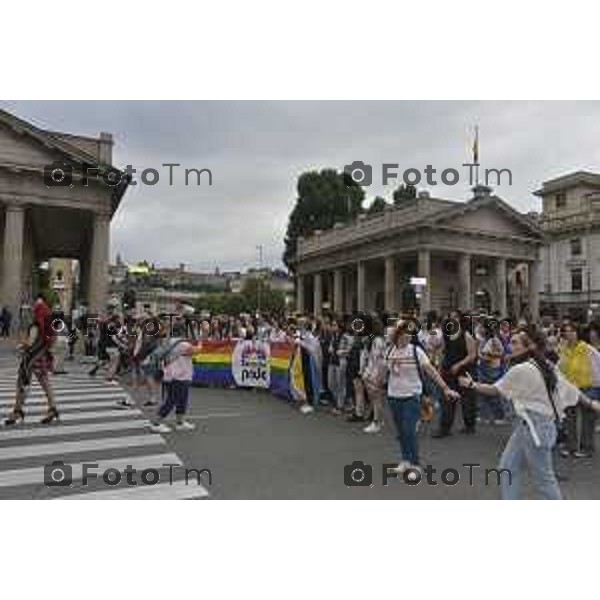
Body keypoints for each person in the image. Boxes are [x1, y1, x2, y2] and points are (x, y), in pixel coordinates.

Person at [458, 327, 600, 500]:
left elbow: (495, 389)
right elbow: (571, 390)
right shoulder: (545, 364)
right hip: (531, 426)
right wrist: (592, 404)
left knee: (544, 479)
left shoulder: (522, 369)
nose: (510, 346)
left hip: (532, 428)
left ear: (529, 346)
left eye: (515, 342)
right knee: (508, 468)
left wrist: (471, 384)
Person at [386, 321, 460, 474]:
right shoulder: (390, 351)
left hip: (412, 395)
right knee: (401, 431)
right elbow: (385, 372)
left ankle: (415, 464)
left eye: (409, 333)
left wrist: (445, 388)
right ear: (396, 334)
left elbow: (431, 371)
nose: (407, 336)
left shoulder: (416, 351)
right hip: (393, 395)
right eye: (403, 332)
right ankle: (405, 460)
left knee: (409, 429)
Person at [5, 294, 59, 426]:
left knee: (21, 383)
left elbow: (30, 342)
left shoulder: (35, 324)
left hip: (31, 359)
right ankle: (52, 408)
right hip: (41, 356)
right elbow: (50, 338)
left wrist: (20, 346)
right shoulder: (45, 324)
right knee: (45, 383)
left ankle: (17, 411)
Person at [558, 322, 600, 458]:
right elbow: (560, 368)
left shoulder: (587, 349)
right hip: (569, 388)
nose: (569, 334)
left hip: (588, 387)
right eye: (566, 331)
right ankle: (571, 446)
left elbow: (598, 366)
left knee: (588, 419)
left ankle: (587, 448)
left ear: (578, 333)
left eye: (572, 331)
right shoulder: (564, 349)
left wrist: (597, 385)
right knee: (569, 418)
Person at [434, 311, 478, 437]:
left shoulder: (466, 335)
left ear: (460, 319)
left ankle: (470, 425)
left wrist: (459, 364)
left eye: (455, 317)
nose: (452, 319)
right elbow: (442, 351)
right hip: (448, 370)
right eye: (450, 317)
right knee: (447, 398)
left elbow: (472, 354)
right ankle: (444, 428)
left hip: (463, 371)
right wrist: (439, 366)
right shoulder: (447, 334)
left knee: (467, 400)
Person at [148, 323, 196, 433]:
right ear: (183, 332)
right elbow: (196, 351)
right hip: (180, 375)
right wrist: (201, 341)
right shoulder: (183, 344)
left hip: (169, 374)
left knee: (181, 399)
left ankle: (180, 422)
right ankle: (156, 423)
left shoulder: (168, 342)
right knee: (173, 400)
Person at [361, 318, 388, 433]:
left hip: (375, 372)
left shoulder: (377, 341)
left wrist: (375, 375)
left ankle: (377, 421)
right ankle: (379, 420)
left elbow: (378, 359)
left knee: (376, 398)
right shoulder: (376, 339)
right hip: (374, 371)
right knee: (376, 398)